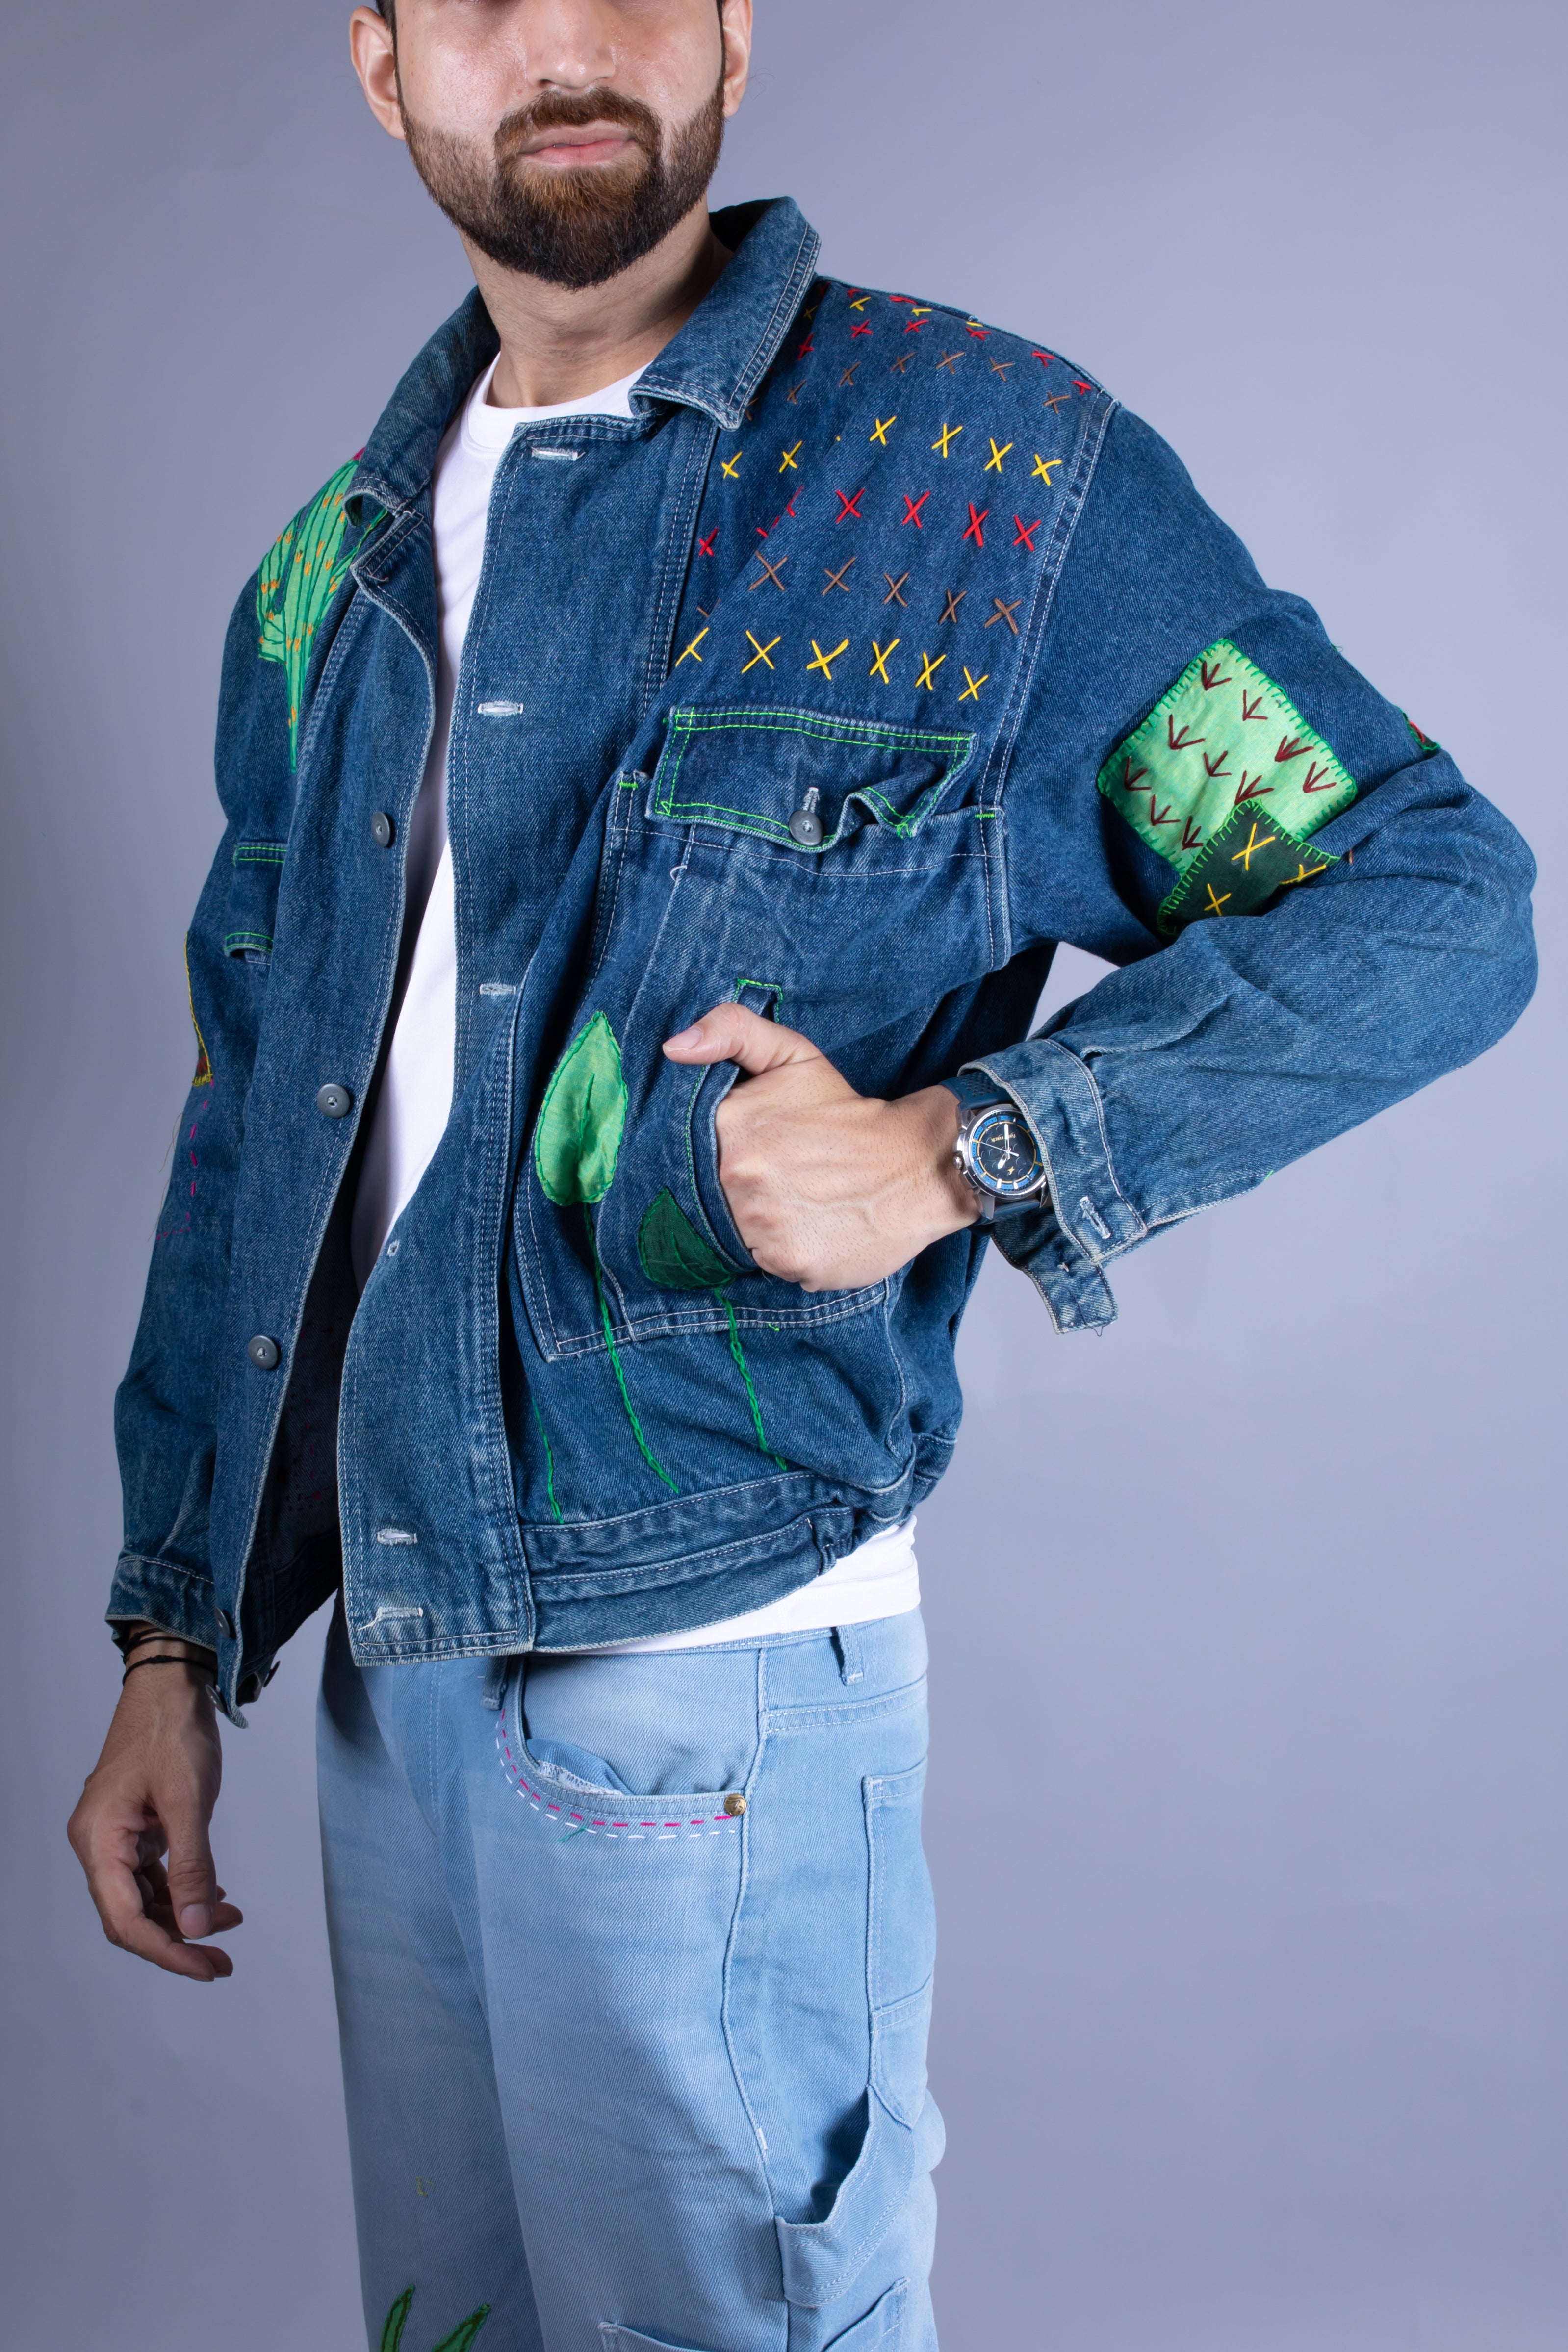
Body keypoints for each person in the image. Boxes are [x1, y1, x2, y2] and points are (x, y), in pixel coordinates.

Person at [67, 1, 1536, 2346]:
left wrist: (963, 1146)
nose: (566, 37)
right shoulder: (322, 575)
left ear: (735, 33)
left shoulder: (984, 479)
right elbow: (257, 1112)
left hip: (711, 1685)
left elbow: (1432, 895)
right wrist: (174, 1633)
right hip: (385, 1674)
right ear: (380, 62)